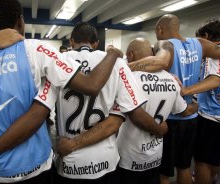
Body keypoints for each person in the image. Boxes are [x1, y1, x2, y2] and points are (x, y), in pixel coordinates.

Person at [0, 0, 123, 183]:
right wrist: (114, 54)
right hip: (36, 167)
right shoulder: (36, 49)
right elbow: (92, 85)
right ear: (21, 20)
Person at [35, 23, 168, 184]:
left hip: (69, 164)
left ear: (71, 41)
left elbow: (40, 111)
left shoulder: (58, 62)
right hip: (105, 163)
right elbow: (120, 117)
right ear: (96, 42)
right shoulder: (117, 63)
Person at [126, 14, 220, 184]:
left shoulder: (165, 44)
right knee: (184, 167)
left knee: (164, 174)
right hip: (192, 118)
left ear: (159, 29)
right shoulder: (199, 44)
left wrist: (123, 67)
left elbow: (161, 62)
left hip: (170, 119)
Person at [117, 37, 198, 184]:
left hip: (129, 156)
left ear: (131, 55)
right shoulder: (171, 79)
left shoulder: (128, 78)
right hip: (154, 156)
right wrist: (198, 104)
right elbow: (185, 111)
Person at [181, 19, 220, 184]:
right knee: (214, 158)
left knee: (202, 162)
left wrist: (185, 91)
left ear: (206, 37)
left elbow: (214, 81)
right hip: (217, 116)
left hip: (212, 117)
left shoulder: (216, 53)